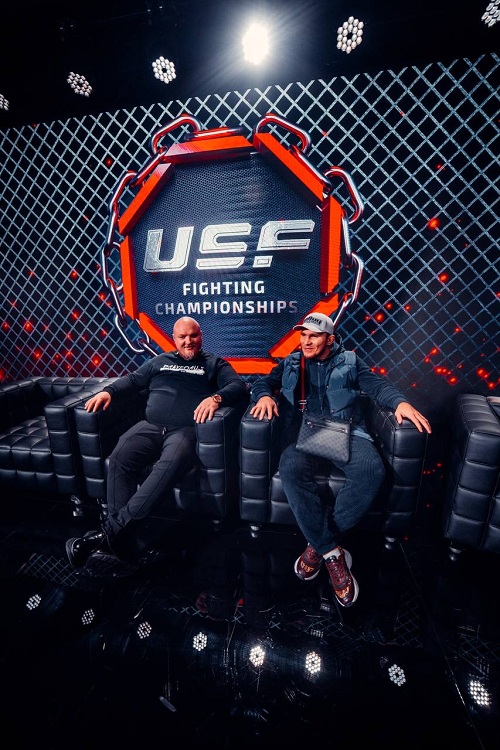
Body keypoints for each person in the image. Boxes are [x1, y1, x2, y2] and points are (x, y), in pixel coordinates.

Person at [249, 312, 431, 608]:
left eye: (314, 336)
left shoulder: (350, 361)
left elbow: (378, 386)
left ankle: (317, 547)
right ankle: (333, 554)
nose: (306, 341)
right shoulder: (291, 362)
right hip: (307, 435)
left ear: (330, 339)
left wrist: (401, 403)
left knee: (371, 470)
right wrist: (264, 396)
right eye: (303, 335)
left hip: (348, 432)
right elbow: (262, 383)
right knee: (290, 467)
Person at [65, 316, 248, 571]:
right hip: (149, 426)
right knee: (120, 458)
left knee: (171, 463)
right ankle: (120, 542)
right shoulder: (159, 361)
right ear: (174, 339)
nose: (188, 341)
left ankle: (109, 533)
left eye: (193, 336)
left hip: (184, 431)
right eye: (182, 337)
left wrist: (216, 398)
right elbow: (133, 380)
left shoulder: (214, 363)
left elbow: (239, 385)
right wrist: (108, 392)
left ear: (201, 336)